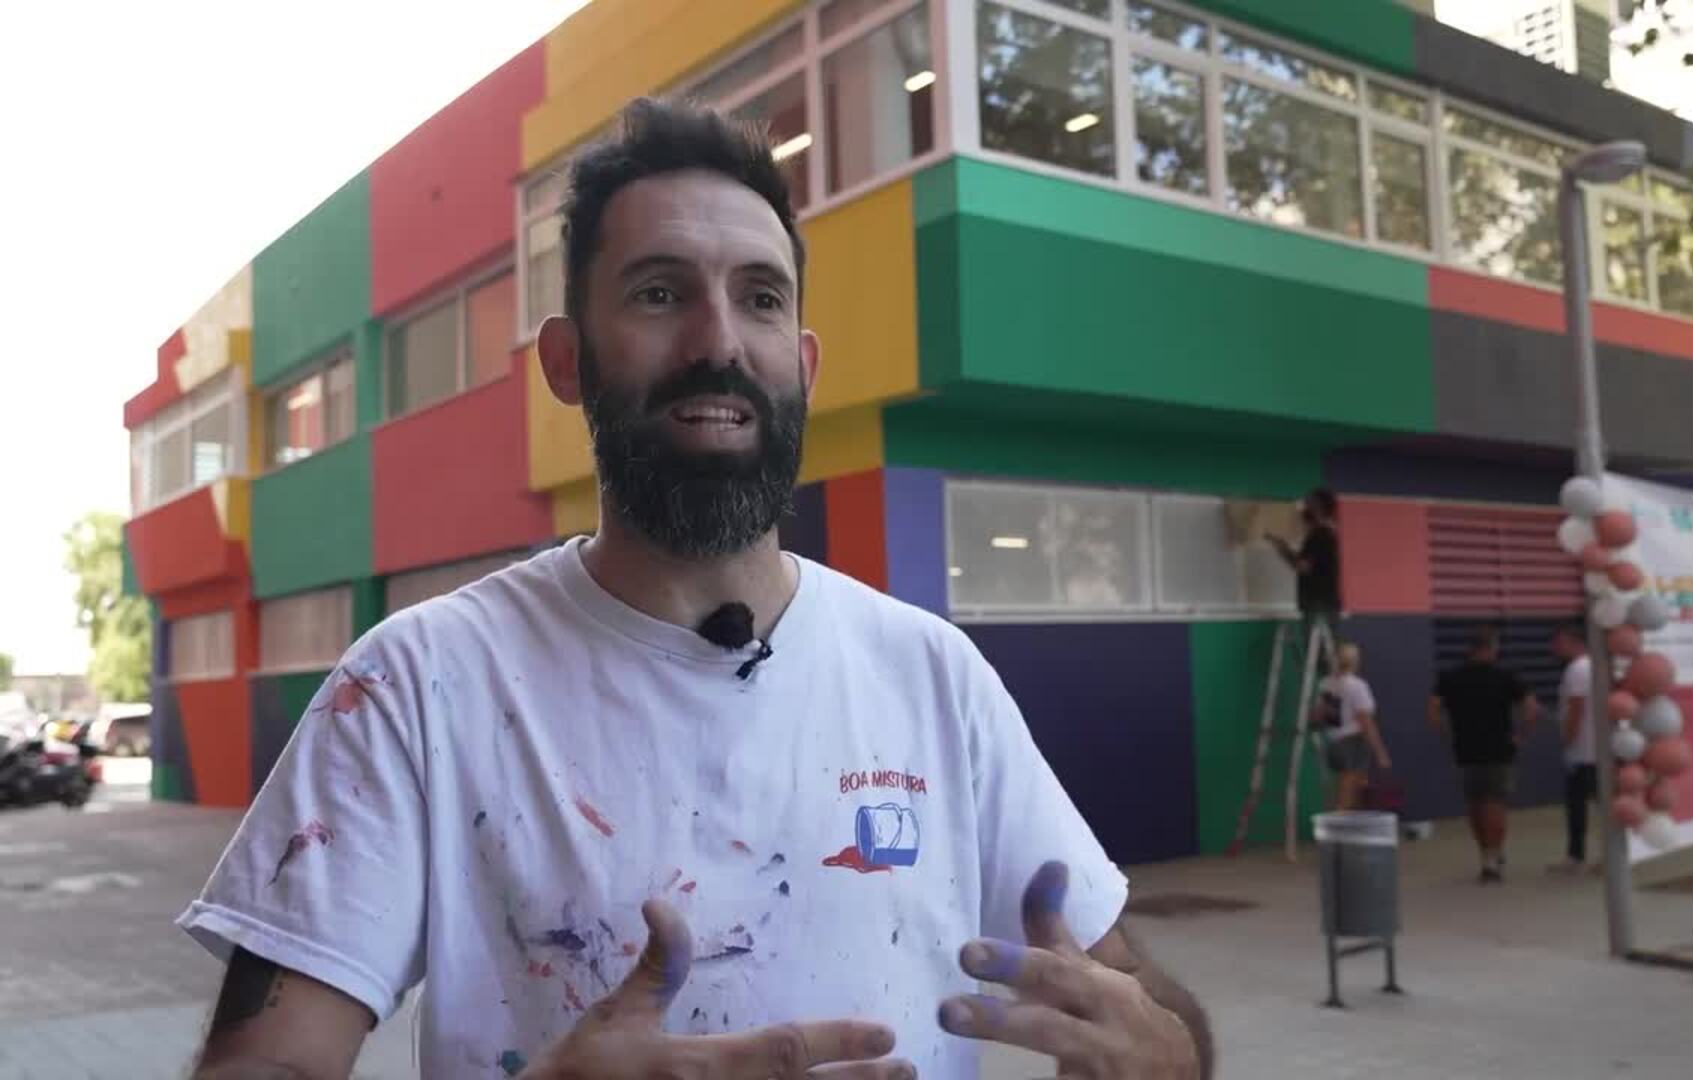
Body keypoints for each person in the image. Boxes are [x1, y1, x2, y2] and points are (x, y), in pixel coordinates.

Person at [180, 99, 1210, 1080]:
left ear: (803, 364)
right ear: (567, 361)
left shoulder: (932, 674)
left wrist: (1163, 1053)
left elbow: (1145, 1004)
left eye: (760, 298)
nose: (718, 342)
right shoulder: (417, 686)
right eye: (660, 293)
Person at [1428, 625, 1538, 884]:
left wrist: (1446, 735)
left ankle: (1485, 853)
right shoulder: (1506, 676)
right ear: (1493, 647)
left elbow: (1432, 711)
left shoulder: (1451, 677)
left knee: (1475, 804)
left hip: (1465, 749)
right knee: (1494, 802)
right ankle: (1494, 856)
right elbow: (1531, 708)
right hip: (1499, 748)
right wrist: (1521, 735)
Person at [1318, 642, 1392, 811]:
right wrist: (1380, 752)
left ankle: (1339, 814)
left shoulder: (1325, 683)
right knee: (1350, 788)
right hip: (1352, 742)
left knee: (1342, 786)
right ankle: (1342, 816)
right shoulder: (1357, 686)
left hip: (1333, 740)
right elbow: (1366, 721)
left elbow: (1322, 714)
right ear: (1355, 662)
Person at [1551, 623, 1597, 873]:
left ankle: (1576, 856)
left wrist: (1568, 739)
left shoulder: (1577, 670)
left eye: (1560, 642)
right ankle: (1585, 855)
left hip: (1582, 752)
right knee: (1592, 803)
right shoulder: (1592, 666)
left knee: (1576, 804)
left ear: (1575, 642)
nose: (1555, 648)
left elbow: (1577, 708)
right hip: (1592, 750)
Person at [1272, 488, 1341, 627]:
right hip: (1326, 602)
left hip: (1317, 604)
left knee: (1317, 640)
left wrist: (1283, 549)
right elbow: (1308, 564)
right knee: (1326, 640)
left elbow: (1302, 566)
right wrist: (1285, 548)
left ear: (1318, 507)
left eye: (1308, 503)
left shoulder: (1319, 536)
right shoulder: (1329, 534)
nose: (1304, 507)